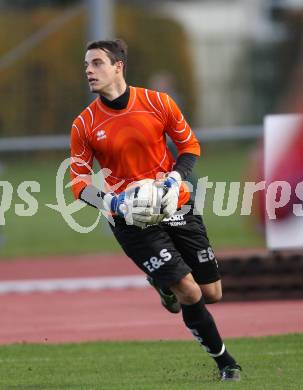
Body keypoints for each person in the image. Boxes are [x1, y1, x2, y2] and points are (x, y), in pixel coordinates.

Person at [70, 39, 241, 382]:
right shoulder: (84, 124)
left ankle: (161, 284)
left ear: (118, 66)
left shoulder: (157, 102)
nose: (89, 70)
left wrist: (175, 178)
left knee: (212, 293)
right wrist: (114, 203)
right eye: (87, 64)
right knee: (190, 292)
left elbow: (189, 145)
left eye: (97, 63)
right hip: (130, 220)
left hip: (175, 203)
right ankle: (227, 364)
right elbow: (78, 185)